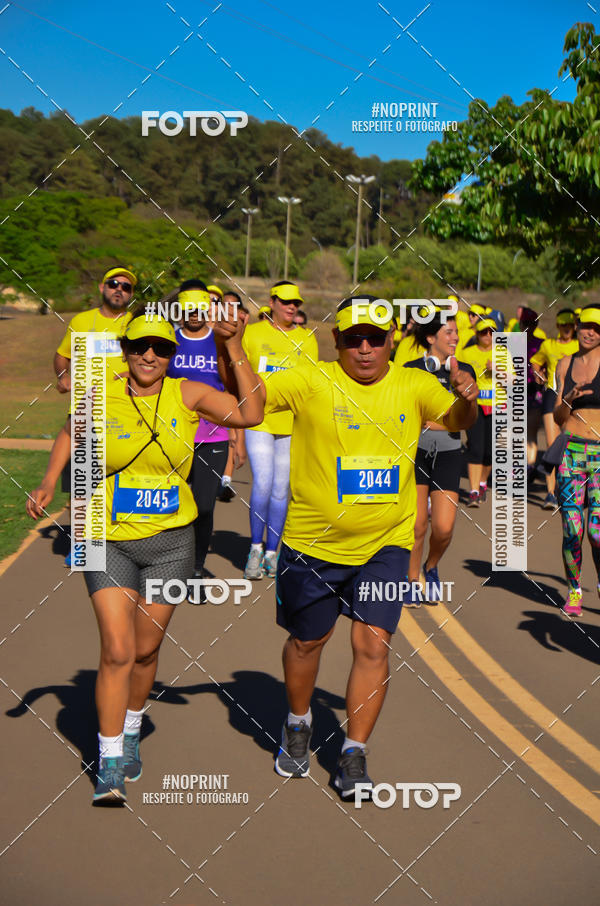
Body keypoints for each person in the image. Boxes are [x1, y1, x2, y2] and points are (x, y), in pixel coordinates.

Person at [27, 308, 263, 804]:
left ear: (171, 354)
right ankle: (110, 758)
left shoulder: (188, 392)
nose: (149, 356)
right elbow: (71, 428)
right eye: (139, 348)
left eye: (160, 349)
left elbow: (251, 412)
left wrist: (235, 346)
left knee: (145, 649)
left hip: (172, 543)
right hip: (104, 536)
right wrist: (51, 481)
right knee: (115, 649)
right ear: (127, 350)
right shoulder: (102, 389)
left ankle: (131, 726)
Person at [259, 296, 477, 797]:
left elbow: (459, 422)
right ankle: (297, 722)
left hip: (386, 543)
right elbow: (249, 403)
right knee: (306, 642)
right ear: (336, 341)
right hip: (312, 543)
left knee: (373, 644)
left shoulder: (414, 384)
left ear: (391, 342)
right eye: (353, 338)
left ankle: (353, 754)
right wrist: (231, 349)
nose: (363, 348)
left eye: (374, 339)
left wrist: (468, 397)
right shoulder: (310, 378)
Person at [54, 266, 137, 565]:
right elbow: (62, 355)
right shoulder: (81, 321)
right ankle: (80, 544)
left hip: (125, 413)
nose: (120, 290)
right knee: (83, 482)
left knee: (118, 483)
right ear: (103, 287)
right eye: (115, 284)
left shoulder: (134, 324)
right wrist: (63, 376)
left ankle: (117, 542)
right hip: (85, 409)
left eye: (126, 287)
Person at [166, 280, 237, 603]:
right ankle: (168, 567)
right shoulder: (168, 340)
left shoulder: (219, 341)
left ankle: (195, 568)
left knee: (204, 506)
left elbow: (234, 385)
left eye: (199, 307)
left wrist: (238, 436)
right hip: (174, 435)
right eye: (188, 307)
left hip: (213, 436)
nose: (194, 313)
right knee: (173, 505)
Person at [241, 282, 318, 580]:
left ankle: (273, 553)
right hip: (259, 418)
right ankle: (255, 548)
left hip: (292, 422)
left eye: (295, 303)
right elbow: (240, 373)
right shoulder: (253, 334)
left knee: (280, 489)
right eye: (285, 301)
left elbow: (311, 384)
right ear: (271, 302)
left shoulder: (307, 339)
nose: (291, 307)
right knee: (262, 482)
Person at [403, 310, 476, 606]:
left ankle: (430, 567)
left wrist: (444, 417)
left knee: (444, 528)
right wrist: (444, 420)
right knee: (418, 524)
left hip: (448, 453)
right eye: (449, 332)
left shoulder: (466, 370)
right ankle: (409, 581)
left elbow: (465, 419)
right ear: (431, 337)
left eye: (456, 332)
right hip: (416, 453)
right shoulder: (409, 369)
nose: (456, 337)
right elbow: (410, 414)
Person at [553, 305, 600, 616]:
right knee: (573, 530)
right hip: (570, 452)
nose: (589, 331)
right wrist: (568, 399)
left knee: (598, 532)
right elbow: (558, 417)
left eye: (596, 328)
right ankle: (574, 589)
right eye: (586, 325)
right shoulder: (564, 364)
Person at [530, 309, 578, 509]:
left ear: (574, 326)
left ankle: (568, 489)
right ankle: (550, 493)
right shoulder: (548, 345)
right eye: (562, 325)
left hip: (575, 397)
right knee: (552, 445)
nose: (566, 329)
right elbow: (534, 361)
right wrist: (538, 374)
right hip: (552, 394)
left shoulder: (579, 345)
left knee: (571, 446)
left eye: (569, 325)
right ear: (557, 326)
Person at [459, 318, 499, 506]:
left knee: (489, 452)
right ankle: (474, 491)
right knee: (475, 448)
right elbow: (457, 376)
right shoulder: (466, 353)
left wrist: (498, 371)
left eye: (492, 332)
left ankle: (483, 482)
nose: (488, 336)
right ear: (477, 334)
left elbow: (515, 381)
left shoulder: (503, 354)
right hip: (474, 406)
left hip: (497, 407)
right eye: (484, 332)